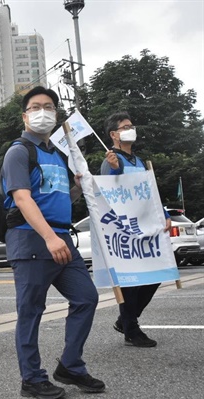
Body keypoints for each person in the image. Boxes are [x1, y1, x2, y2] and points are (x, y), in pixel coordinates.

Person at [1, 86, 105, 398]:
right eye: (35, 107)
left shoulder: (58, 155)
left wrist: (76, 188)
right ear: (25, 115)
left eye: (48, 106)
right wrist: (48, 237)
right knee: (31, 310)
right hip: (32, 240)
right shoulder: (19, 151)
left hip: (62, 238)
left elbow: (56, 197)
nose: (42, 111)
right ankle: (32, 379)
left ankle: (71, 366)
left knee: (86, 298)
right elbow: (21, 197)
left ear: (56, 115)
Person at [100, 111, 172, 348]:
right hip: (124, 230)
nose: (131, 129)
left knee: (154, 276)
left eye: (131, 125)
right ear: (114, 135)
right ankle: (131, 329)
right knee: (130, 282)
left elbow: (150, 193)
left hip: (144, 229)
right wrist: (115, 170)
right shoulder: (110, 160)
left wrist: (165, 214)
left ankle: (126, 319)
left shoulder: (139, 161)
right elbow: (110, 192)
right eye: (125, 126)